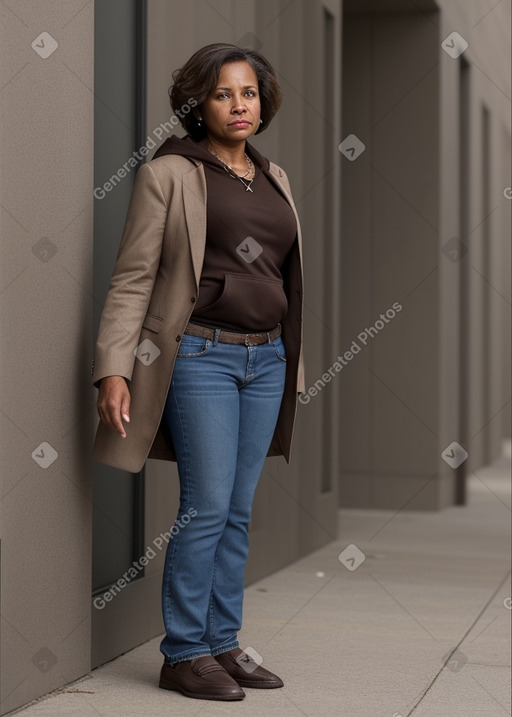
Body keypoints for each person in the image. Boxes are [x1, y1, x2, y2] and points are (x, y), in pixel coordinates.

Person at [92, 42, 305, 702]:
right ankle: (183, 651)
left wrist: (294, 361)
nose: (239, 104)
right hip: (201, 357)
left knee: (237, 509)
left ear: (263, 102)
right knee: (206, 507)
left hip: (267, 357)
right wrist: (114, 368)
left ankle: (222, 641)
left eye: (248, 93)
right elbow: (133, 279)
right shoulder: (171, 174)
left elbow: (283, 276)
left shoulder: (276, 178)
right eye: (222, 93)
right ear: (198, 104)